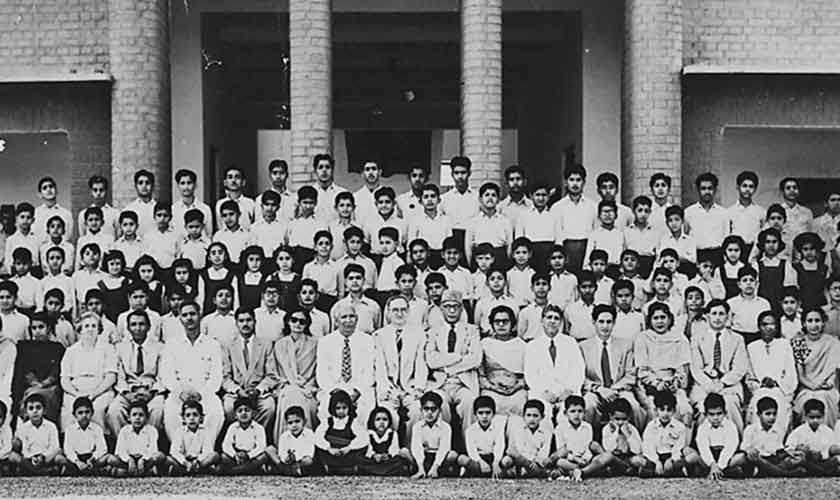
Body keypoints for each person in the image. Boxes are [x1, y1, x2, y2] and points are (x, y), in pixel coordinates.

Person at [160, 302, 224, 443]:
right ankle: (179, 451)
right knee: (172, 414)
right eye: (185, 315)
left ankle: (206, 450)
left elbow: (216, 376)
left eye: (192, 314)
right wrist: (180, 392)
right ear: (180, 319)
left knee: (215, 413)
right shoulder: (172, 344)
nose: (189, 318)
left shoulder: (212, 344)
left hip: (205, 393)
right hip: (179, 393)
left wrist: (201, 394)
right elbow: (167, 375)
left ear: (200, 315)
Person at [425, 289, 481, 439]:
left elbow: (475, 358)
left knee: (470, 402)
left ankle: (468, 445)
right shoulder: (433, 332)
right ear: (441, 308)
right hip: (440, 383)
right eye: (447, 306)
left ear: (461, 308)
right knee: (437, 403)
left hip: (463, 383)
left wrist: (447, 366)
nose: (451, 310)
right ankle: (441, 446)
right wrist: (457, 357)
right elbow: (431, 360)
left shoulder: (472, 330)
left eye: (455, 306)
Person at [373, 296, 427, 444]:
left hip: (411, 387)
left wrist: (419, 388)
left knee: (417, 411)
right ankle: (391, 448)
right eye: (395, 310)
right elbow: (379, 366)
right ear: (388, 312)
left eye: (403, 310)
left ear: (408, 312)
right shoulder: (379, 335)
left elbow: (421, 363)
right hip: (389, 387)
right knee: (388, 414)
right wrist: (385, 389)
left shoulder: (419, 334)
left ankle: (410, 449)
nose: (399, 313)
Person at [581, 304, 644, 431]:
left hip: (619, 390)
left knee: (634, 406)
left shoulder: (625, 345)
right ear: (594, 322)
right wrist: (599, 389)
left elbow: (630, 375)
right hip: (595, 391)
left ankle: (636, 438)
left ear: (614, 323)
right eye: (601, 322)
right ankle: (588, 438)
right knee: (588, 405)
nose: (605, 326)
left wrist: (613, 389)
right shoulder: (583, 347)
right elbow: (580, 377)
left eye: (609, 322)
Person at [689, 299, 748, 433]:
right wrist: (709, 385)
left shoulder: (737, 339)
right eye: (714, 313)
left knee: (730, 403)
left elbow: (740, 368)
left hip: (729, 384)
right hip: (703, 385)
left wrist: (722, 383)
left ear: (727, 316)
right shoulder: (697, 338)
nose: (717, 318)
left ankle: (736, 440)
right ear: (707, 316)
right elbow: (696, 368)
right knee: (703, 405)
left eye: (721, 314)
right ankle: (703, 441)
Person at [524, 304, 585, 427]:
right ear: (542, 320)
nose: (552, 321)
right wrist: (544, 392)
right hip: (542, 392)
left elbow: (578, 370)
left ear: (561, 322)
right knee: (543, 416)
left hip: (567, 392)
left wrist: (569, 390)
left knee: (567, 416)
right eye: (549, 317)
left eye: (556, 318)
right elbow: (530, 375)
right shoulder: (533, 346)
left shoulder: (570, 343)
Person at [316, 303, 377, 423]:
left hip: (360, 388)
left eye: (351, 316)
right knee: (326, 410)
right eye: (344, 317)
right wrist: (336, 392)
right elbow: (322, 373)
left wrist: (357, 391)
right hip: (334, 388)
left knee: (365, 410)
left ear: (357, 319)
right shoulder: (325, 342)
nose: (348, 320)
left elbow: (369, 371)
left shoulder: (368, 341)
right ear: (336, 321)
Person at [107, 310, 165, 436]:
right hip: (129, 391)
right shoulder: (120, 348)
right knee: (114, 411)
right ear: (128, 328)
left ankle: (149, 442)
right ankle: (125, 442)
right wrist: (127, 394)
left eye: (141, 324)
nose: (138, 328)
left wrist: (152, 392)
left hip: (151, 391)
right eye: (133, 324)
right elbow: (120, 376)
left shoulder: (160, 347)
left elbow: (162, 375)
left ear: (149, 327)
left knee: (157, 409)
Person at [634, 303, 693, 428]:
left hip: (673, 385)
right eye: (655, 318)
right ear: (650, 320)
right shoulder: (643, 338)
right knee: (653, 409)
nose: (659, 321)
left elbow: (683, 368)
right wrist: (657, 383)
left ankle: (680, 439)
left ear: (670, 319)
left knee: (684, 408)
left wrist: (676, 381)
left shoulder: (679, 338)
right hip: (650, 386)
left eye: (663, 317)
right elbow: (642, 370)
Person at [219, 307, 278, 429]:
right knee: (229, 407)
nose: (245, 324)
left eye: (248, 320)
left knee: (269, 407)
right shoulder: (228, 345)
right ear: (236, 323)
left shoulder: (266, 344)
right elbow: (225, 376)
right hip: (236, 392)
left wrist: (258, 390)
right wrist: (237, 390)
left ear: (255, 322)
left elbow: (271, 375)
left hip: (259, 392)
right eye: (241, 321)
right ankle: (238, 433)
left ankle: (258, 433)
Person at [60, 312, 117, 431]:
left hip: (101, 391)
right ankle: (71, 440)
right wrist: (76, 394)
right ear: (80, 329)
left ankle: (99, 439)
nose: (90, 329)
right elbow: (64, 379)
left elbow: (111, 377)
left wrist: (94, 394)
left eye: (93, 326)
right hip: (75, 391)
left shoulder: (108, 349)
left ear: (99, 329)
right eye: (86, 326)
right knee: (70, 410)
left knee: (97, 409)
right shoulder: (71, 351)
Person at [746, 311, 797, 433]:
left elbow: (791, 373)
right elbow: (749, 376)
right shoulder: (752, 347)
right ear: (759, 327)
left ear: (777, 326)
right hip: (759, 390)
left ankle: (778, 440)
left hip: (780, 390)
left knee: (780, 405)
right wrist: (759, 385)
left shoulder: (784, 345)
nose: (768, 328)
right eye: (764, 324)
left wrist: (777, 383)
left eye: (772, 324)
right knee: (759, 403)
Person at [791, 306, 840, 427]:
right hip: (806, 387)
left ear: (823, 323)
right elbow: (800, 375)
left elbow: (833, 370)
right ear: (804, 323)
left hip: (826, 387)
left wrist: (828, 383)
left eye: (817, 321)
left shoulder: (833, 343)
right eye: (810, 321)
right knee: (808, 399)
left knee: (824, 398)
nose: (814, 325)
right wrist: (812, 386)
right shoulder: (798, 342)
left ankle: (826, 435)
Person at [12, 312, 62, 422]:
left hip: (50, 388)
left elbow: (57, 370)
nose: (37, 331)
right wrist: (34, 384)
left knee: (44, 395)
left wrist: (44, 384)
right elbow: (22, 370)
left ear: (48, 328)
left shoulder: (57, 348)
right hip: (29, 387)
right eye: (34, 328)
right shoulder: (24, 347)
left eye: (41, 327)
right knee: (32, 395)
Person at [478, 306, 526, 416]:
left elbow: (527, 374)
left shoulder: (521, 345)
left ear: (512, 324)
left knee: (519, 403)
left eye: (505, 321)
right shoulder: (484, 344)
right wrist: (492, 387)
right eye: (497, 321)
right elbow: (480, 374)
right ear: (492, 324)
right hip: (491, 389)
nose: (501, 325)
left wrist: (516, 387)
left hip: (516, 389)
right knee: (490, 404)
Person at [550, 164, 597, 274]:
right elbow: (557, 235)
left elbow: (596, 233)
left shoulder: (593, 206)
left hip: (587, 249)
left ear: (584, 182)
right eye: (571, 180)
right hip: (566, 250)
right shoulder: (557, 207)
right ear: (566, 182)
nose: (575, 184)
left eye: (578, 180)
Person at [686, 393, 745, 479]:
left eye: (719, 413)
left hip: (726, 459)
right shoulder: (703, 427)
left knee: (741, 457)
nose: (716, 418)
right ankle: (711, 471)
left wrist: (719, 466)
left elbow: (729, 448)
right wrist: (712, 464)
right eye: (711, 414)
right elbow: (704, 448)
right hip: (708, 461)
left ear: (725, 413)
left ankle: (720, 471)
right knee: (690, 457)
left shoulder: (730, 426)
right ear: (705, 414)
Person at [314, 389, 368, 474]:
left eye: (344, 408)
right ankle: (330, 467)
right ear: (333, 408)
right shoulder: (327, 422)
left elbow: (363, 438)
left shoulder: (352, 422)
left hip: (347, 452)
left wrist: (349, 448)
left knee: (360, 454)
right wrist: (329, 448)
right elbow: (318, 437)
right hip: (331, 453)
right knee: (319, 452)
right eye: (338, 408)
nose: (341, 411)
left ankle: (348, 468)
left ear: (349, 407)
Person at [741, 397, 797, 477]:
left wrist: (788, 453)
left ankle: (770, 471)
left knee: (795, 458)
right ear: (759, 414)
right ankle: (784, 473)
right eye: (768, 414)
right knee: (752, 458)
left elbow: (778, 451)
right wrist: (750, 450)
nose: (772, 417)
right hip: (757, 459)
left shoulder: (778, 430)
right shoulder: (751, 429)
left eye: (774, 414)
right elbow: (745, 448)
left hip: (772, 460)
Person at [11, 394, 65, 475]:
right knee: (13, 456)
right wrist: (32, 457)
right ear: (26, 412)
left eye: (38, 408)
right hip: (29, 459)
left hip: (46, 458)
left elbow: (54, 446)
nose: (35, 411)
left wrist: (43, 457)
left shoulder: (51, 426)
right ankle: (40, 472)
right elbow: (24, 449)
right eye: (31, 408)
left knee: (59, 453)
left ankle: (32, 471)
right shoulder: (23, 428)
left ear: (44, 410)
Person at [640, 390, 690, 478]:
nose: (665, 413)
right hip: (656, 456)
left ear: (674, 411)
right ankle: (657, 470)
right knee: (643, 464)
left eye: (669, 410)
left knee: (684, 460)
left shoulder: (679, 427)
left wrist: (671, 459)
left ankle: (674, 470)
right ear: (656, 410)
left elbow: (679, 447)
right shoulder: (651, 426)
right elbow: (648, 447)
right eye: (662, 410)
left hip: (671, 456)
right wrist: (656, 461)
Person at [592, 398, 646, 477]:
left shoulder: (631, 429)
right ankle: (623, 469)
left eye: (624, 419)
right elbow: (609, 448)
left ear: (629, 417)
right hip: (614, 458)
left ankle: (625, 469)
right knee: (599, 459)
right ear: (611, 417)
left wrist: (628, 435)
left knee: (638, 460)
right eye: (617, 419)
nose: (620, 422)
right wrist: (616, 432)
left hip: (628, 458)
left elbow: (637, 450)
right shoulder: (607, 429)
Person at [109, 401, 166, 476]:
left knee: (160, 456)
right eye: (134, 415)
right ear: (129, 418)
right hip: (128, 460)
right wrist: (129, 460)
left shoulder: (152, 430)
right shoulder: (124, 430)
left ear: (146, 418)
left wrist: (143, 459)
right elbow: (120, 450)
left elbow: (153, 449)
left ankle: (140, 470)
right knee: (111, 459)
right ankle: (135, 471)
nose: (137, 418)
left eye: (141, 415)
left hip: (145, 460)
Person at [464, 182, 513, 269]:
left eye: (493, 195)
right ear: (480, 199)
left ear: (498, 200)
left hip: (499, 259)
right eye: (487, 195)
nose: (490, 198)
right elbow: (468, 247)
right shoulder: (473, 222)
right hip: (480, 260)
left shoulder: (505, 221)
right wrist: (471, 266)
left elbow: (509, 246)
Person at [550, 395, 599, 481]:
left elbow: (588, 447)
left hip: (584, 459)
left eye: (580, 411)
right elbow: (562, 450)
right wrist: (575, 459)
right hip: (569, 459)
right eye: (572, 411)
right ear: (565, 413)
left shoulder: (587, 427)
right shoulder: (560, 428)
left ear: (584, 412)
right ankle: (581, 470)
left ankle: (571, 471)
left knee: (596, 460)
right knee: (560, 462)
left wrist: (585, 459)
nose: (576, 414)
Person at [409, 391, 456, 479]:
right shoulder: (417, 426)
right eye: (426, 409)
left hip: (438, 458)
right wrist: (420, 467)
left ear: (440, 410)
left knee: (452, 455)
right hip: (423, 457)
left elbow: (444, 449)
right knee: (404, 452)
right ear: (421, 410)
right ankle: (419, 470)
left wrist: (435, 467)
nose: (429, 412)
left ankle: (437, 471)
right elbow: (416, 448)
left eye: (433, 409)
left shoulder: (445, 427)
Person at [440, 156, 479, 259]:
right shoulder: (444, 198)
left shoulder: (478, 197)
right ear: (452, 174)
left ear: (469, 173)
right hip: (452, 241)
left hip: (472, 240)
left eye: (463, 172)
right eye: (456, 173)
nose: (460, 176)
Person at [500, 400, 552, 478]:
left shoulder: (546, 432)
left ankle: (525, 472)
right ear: (523, 416)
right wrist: (528, 461)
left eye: (535, 416)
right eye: (528, 415)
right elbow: (520, 450)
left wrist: (537, 461)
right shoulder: (519, 429)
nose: (531, 419)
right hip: (520, 458)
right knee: (506, 461)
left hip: (535, 462)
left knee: (543, 466)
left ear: (542, 417)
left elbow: (544, 451)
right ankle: (516, 471)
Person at [166, 400, 220, 475]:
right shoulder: (180, 431)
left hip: (199, 462)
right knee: (168, 459)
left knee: (215, 455)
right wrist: (185, 462)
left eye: (195, 415)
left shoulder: (204, 431)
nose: (192, 418)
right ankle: (186, 471)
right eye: (188, 415)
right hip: (184, 462)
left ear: (201, 418)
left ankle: (196, 470)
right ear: (183, 419)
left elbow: (207, 450)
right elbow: (174, 451)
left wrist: (198, 461)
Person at [685, 173, 728, 268]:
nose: (707, 192)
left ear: (715, 190)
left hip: (717, 255)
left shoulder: (723, 213)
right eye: (703, 188)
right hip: (697, 256)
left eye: (710, 188)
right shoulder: (689, 212)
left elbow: (726, 236)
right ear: (698, 190)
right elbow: (685, 236)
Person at [455, 396, 505, 478]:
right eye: (480, 413)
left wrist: (496, 463)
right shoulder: (470, 430)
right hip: (478, 459)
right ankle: (484, 472)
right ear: (475, 414)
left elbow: (499, 447)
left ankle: (489, 471)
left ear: (493, 414)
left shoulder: (498, 428)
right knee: (462, 459)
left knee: (506, 461)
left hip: (493, 458)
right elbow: (472, 451)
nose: (484, 416)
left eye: (488, 413)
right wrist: (480, 462)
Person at [784, 398, 836, 476]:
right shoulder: (798, 431)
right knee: (798, 461)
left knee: (835, 460)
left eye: (818, 417)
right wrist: (800, 451)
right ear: (805, 416)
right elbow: (789, 448)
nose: (815, 420)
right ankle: (821, 471)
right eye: (811, 417)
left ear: (823, 416)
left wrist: (821, 455)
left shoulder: (828, 431)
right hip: (806, 459)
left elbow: (831, 448)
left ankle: (817, 470)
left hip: (822, 460)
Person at [220, 397, 270, 475]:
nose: (244, 413)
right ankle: (248, 470)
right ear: (235, 415)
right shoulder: (233, 427)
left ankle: (235, 471)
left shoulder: (258, 428)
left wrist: (249, 455)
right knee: (224, 457)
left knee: (264, 456)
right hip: (237, 456)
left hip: (251, 456)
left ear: (253, 413)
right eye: (240, 411)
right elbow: (226, 445)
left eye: (247, 410)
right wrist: (234, 455)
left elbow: (261, 446)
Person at [514, 184, 557, 275]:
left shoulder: (554, 215)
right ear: (531, 196)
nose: (541, 198)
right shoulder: (523, 215)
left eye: (544, 195)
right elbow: (519, 239)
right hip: (531, 254)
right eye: (537, 195)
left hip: (548, 254)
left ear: (548, 196)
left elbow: (559, 239)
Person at [62, 396, 111, 475]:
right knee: (60, 459)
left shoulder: (97, 428)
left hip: (92, 459)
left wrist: (93, 458)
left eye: (87, 412)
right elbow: (68, 450)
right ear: (74, 415)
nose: (84, 415)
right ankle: (77, 470)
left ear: (92, 413)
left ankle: (91, 470)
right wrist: (77, 462)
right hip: (76, 460)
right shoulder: (70, 430)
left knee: (108, 458)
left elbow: (102, 448)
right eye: (80, 413)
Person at [407, 184, 453, 270]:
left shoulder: (446, 219)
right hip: (424, 257)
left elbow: (449, 242)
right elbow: (411, 242)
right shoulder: (415, 220)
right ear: (420, 201)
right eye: (426, 197)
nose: (429, 200)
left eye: (433, 196)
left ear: (439, 200)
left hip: (442, 257)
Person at [359, 406, 413, 476]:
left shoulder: (392, 434)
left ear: (389, 421)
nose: (381, 422)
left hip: (388, 461)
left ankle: (377, 471)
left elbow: (394, 450)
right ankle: (383, 471)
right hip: (374, 461)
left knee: (399, 459)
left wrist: (387, 456)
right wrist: (374, 456)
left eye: (385, 419)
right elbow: (368, 451)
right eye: (378, 419)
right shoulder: (369, 434)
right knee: (361, 459)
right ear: (372, 421)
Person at [753, 228, 797, 311]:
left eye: (774, 242)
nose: (771, 245)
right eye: (767, 242)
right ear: (762, 244)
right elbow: (755, 289)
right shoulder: (757, 265)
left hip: (780, 306)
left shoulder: (786, 264)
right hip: (762, 305)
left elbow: (789, 289)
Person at [727, 171, 764, 259]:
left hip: (755, 251)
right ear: (737, 187)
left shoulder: (761, 211)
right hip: (736, 252)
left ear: (755, 189)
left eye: (751, 186)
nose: (747, 189)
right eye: (744, 186)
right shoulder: (729, 212)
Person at [270, 406, 315, 476]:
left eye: (297, 421)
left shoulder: (309, 434)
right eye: (290, 423)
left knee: (308, 461)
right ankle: (289, 470)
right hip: (287, 463)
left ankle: (289, 471)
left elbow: (309, 453)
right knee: (270, 449)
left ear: (304, 421)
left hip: (301, 463)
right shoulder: (284, 436)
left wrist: (296, 458)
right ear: (286, 424)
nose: (294, 425)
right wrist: (287, 458)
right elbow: (281, 453)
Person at [793, 232, 829, 310]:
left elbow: (826, 289)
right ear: (800, 250)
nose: (809, 252)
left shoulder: (824, 268)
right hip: (803, 307)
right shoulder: (796, 268)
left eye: (812, 249)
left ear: (817, 249)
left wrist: (828, 305)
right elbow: (794, 291)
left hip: (821, 306)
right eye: (805, 249)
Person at [624, 196, 658, 279]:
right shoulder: (626, 231)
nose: (643, 214)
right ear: (633, 211)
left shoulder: (655, 232)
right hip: (631, 267)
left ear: (650, 212)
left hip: (649, 267)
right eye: (640, 210)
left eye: (646, 211)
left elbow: (658, 255)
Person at [172, 169, 213, 237]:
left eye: (189, 183)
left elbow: (208, 234)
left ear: (195, 185)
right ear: (177, 185)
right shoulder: (173, 209)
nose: (186, 187)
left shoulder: (205, 209)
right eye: (182, 183)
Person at [33, 176, 73, 244]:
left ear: (56, 191)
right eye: (45, 188)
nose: (48, 189)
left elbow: (68, 237)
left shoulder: (66, 214)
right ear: (40, 194)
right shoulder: (35, 214)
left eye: (51, 186)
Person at [214, 166, 255, 231]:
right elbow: (220, 227)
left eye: (237, 177)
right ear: (225, 182)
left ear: (243, 182)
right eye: (230, 177)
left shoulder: (250, 203)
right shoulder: (220, 204)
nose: (233, 180)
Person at [77, 175, 118, 239]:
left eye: (101, 190)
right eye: (95, 190)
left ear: (106, 191)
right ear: (91, 192)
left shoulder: (115, 214)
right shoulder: (83, 214)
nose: (98, 193)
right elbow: (83, 237)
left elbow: (118, 237)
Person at [250, 190, 289, 258]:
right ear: (262, 206)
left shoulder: (284, 226)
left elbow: (286, 245)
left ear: (278, 207)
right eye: (267, 204)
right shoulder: (254, 227)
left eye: (273, 205)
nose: (269, 208)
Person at [4, 202, 39, 275]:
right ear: (17, 218)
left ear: (33, 220)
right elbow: (8, 262)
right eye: (22, 217)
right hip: (16, 275)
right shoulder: (11, 240)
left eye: (28, 217)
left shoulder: (38, 239)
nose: (25, 220)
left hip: (34, 274)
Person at [311, 154, 348, 222]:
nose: (324, 170)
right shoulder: (309, 194)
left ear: (332, 170)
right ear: (315, 170)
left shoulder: (342, 192)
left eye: (327, 167)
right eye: (320, 167)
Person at [214, 200, 250, 268]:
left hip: (242, 268)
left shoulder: (248, 235)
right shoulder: (218, 236)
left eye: (231, 214)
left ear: (239, 214)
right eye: (225, 215)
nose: (228, 218)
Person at [352, 161, 384, 229]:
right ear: (362, 174)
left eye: (374, 169)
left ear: (380, 172)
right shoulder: (355, 197)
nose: (371, 172)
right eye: (367, 169)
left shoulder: (388, 196)